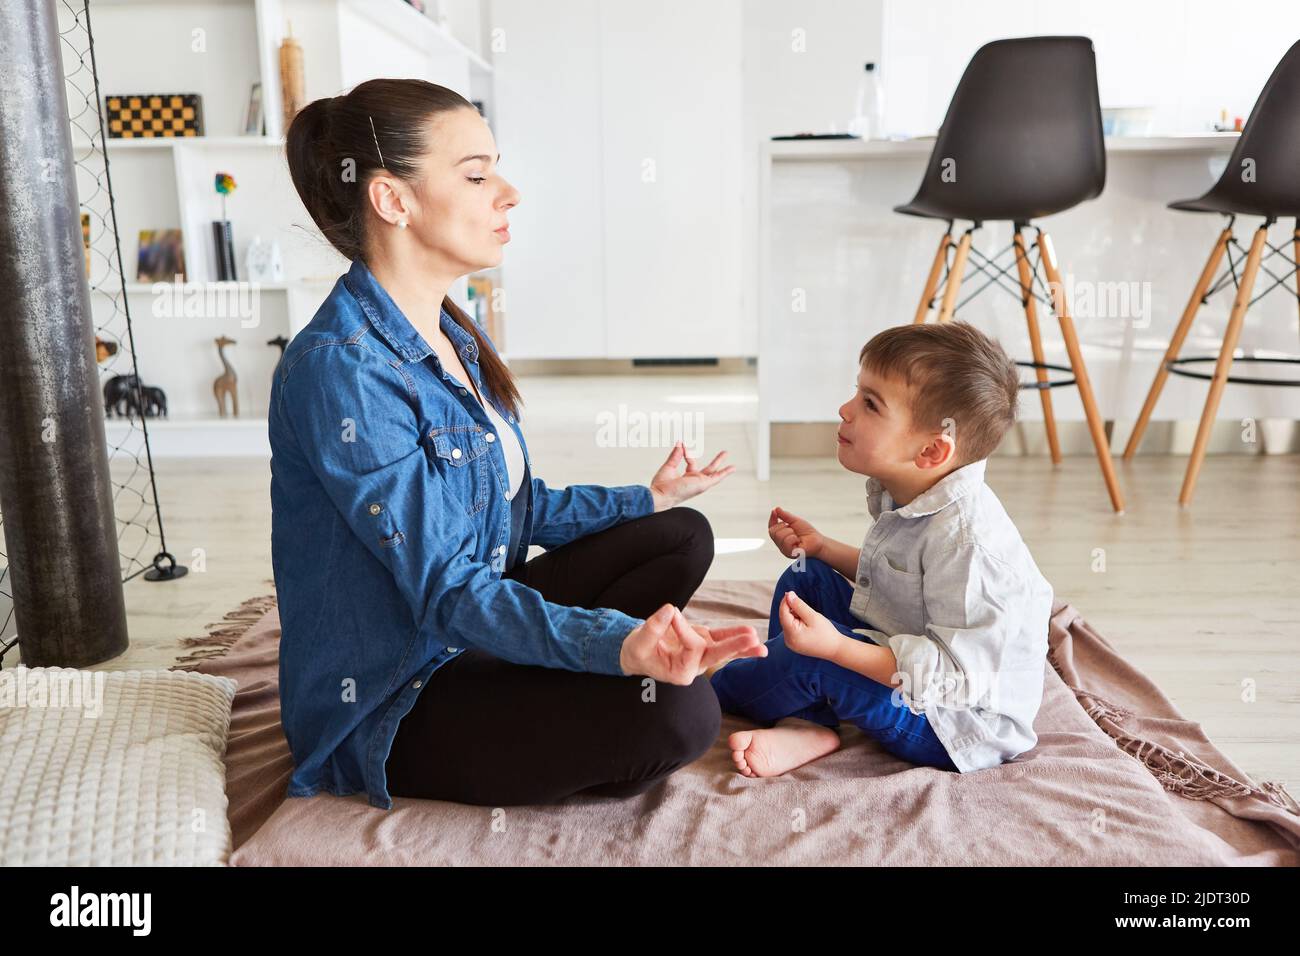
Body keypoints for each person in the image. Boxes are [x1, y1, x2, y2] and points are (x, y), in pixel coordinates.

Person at [272, 78, 764, 810]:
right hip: (394, 693)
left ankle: (544, 677)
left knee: (676, 533)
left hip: (465, 628)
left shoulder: (447, 330)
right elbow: (446, 588)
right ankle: (551, 686)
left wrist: (648, 496)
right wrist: (617, 646)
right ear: (392, 200)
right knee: (680, 714)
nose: (508, 193)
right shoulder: (343, 369)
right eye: (476, 174)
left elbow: (512, 509)